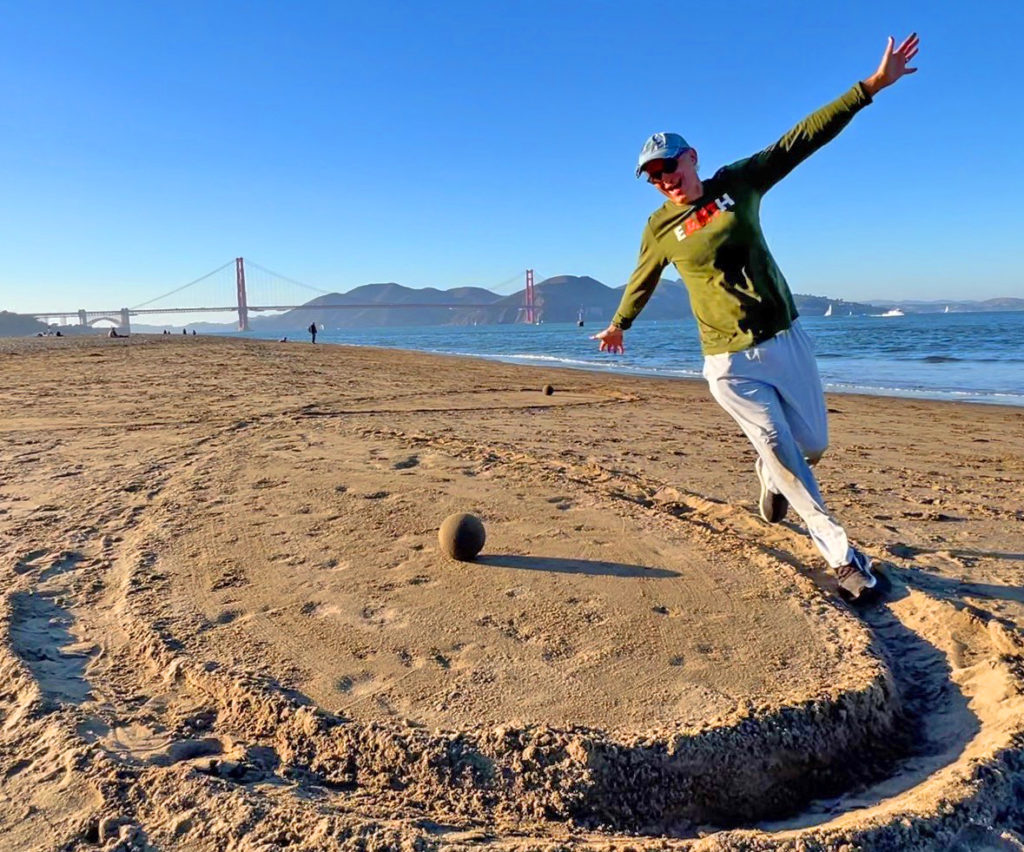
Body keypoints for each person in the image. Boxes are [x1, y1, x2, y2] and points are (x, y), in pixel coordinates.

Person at [594, 34, 919, 601]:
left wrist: (869, 88)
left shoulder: (737, 184)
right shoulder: (658, 228)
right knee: (783, 449)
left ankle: (770, 479)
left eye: (669, 165)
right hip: (729, 362)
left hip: (786, 339)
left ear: (691, 157)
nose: (664, 178)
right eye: (653, 175)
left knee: (811, 445)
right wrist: (620, 322)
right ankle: (842, 557)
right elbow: (642, 277)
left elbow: (798, 141)